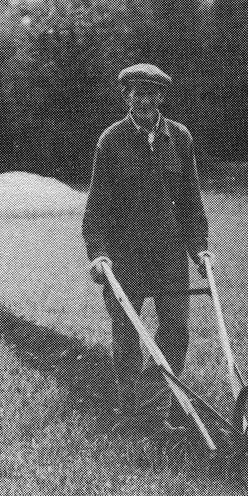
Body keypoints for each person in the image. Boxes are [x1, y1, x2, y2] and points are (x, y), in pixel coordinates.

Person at [83, 63, 211, 431]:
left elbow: (190, 204)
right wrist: (98, 255)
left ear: (161, 97)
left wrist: (199, 249)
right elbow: (95, 212)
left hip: (169, 254)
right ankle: (136, 413)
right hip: (124, 256)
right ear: (127, 96)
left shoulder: (180, 138)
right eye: (137, 92)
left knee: (176, 329)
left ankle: (162, 407)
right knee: (127, 332)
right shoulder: (111, 141)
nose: (145, 100)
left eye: (152, 93)